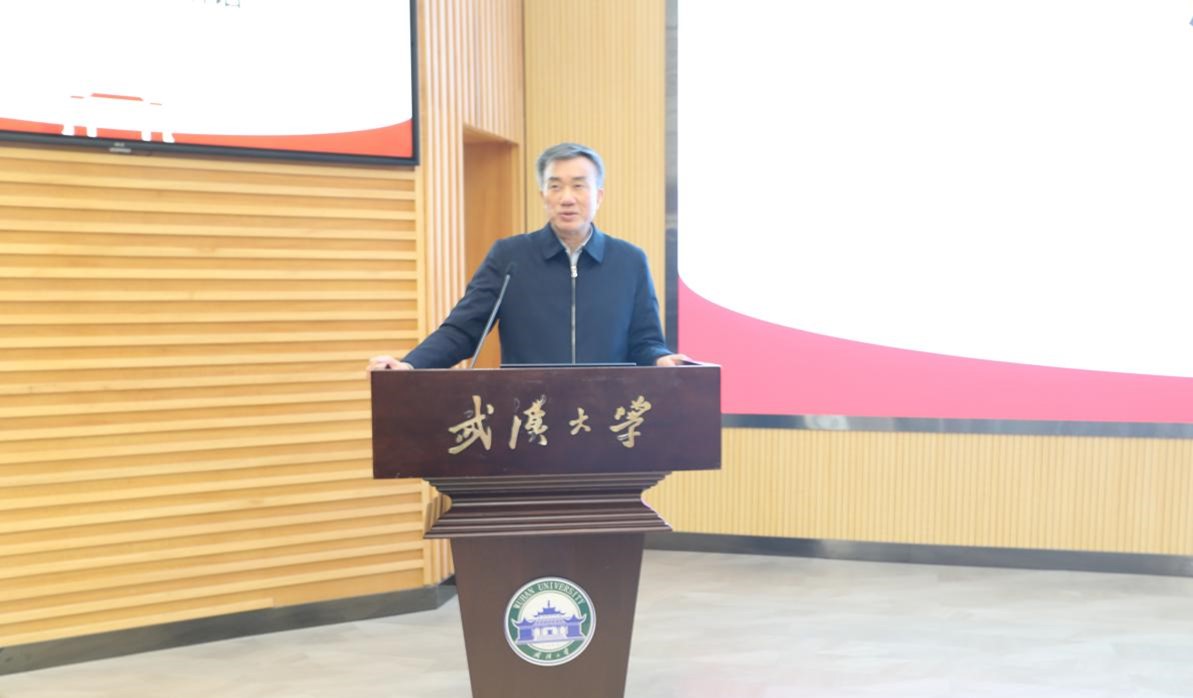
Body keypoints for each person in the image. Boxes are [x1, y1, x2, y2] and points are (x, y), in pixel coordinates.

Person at [368, 142, 688, 371]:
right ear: (543, 195)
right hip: (529, 416)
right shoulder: (510, 257)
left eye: (579, 186)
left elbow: (645, 341)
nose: (567, 198)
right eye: (555, 186)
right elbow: (462, 331)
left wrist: (661, 358)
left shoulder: (629, 261)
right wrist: (410, 365)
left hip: (607, 415)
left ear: (598, 195)